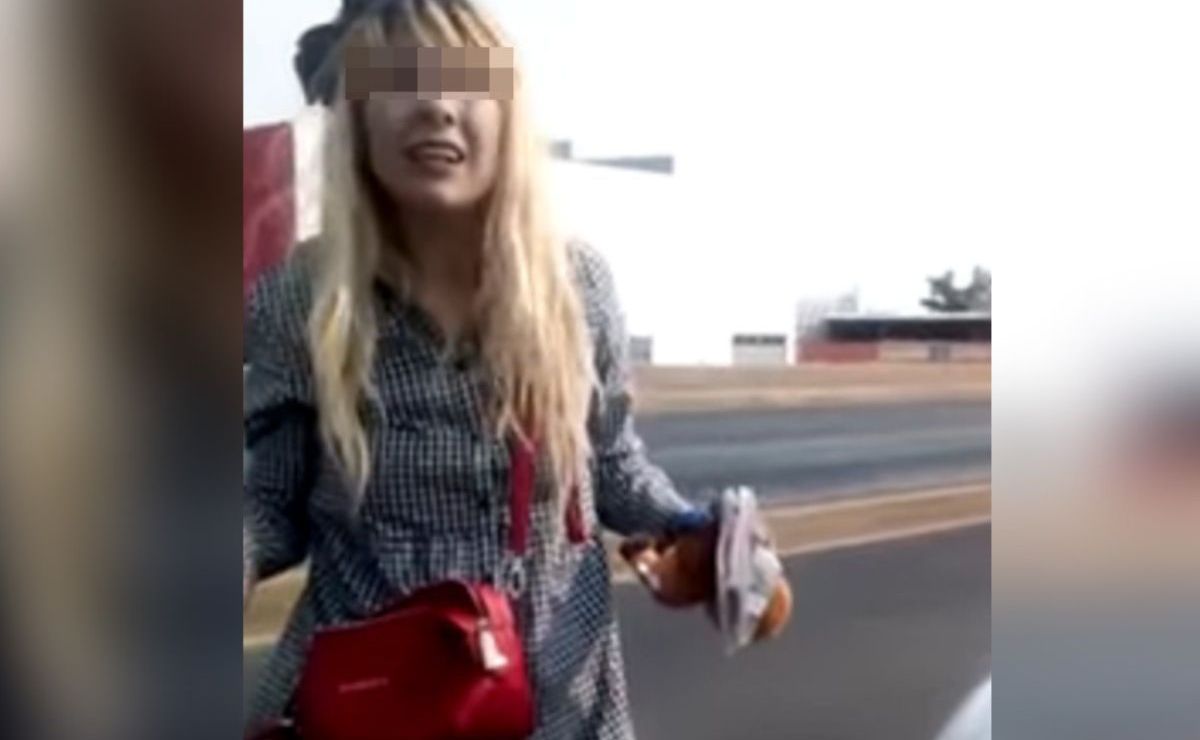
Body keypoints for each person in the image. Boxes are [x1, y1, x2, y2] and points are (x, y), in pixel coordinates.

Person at [242, 1, 709, 737]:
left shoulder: (576, 286)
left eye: (468, 83)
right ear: (358, 114)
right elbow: (269, 503)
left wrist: (697, 532)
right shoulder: (301, 298)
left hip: (557, 708)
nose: (436, 107)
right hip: (372, 703)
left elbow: (613, 465)